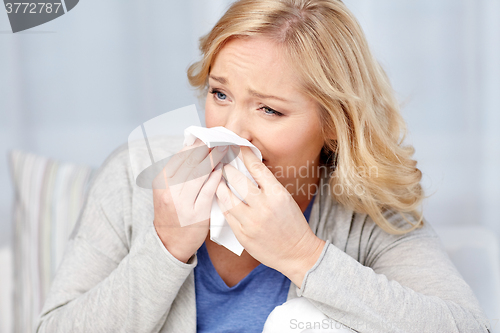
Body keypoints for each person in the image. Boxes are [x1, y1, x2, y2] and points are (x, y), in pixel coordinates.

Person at [36, 0, 491, 332]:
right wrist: (166, 245)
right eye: (220, 94)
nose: (233, 131)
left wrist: (303, 256)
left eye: (269, 110)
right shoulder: (134, 175)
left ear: (333, 124)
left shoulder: (366, 208)